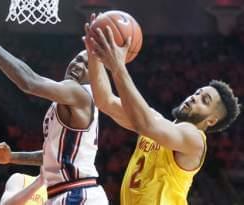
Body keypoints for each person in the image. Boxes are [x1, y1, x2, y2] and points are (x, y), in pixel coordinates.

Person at [83, 14, 241, 205]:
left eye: (204, 100)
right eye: (198, 92)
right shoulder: (156, 123)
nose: (194, 97)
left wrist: (118, 67)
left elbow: (145, 124)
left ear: (211, 120)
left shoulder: (195, 140)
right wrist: (93, 53)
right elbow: (105, 101)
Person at [0, 21, 108, 204]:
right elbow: (51, 156)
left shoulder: (79, 93)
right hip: (68, 191)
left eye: (87, 66)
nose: (79, 66)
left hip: (77, 192)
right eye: (78, 59)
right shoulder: (67, 102)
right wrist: (11, 157)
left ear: (94, 77)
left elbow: (29, 82)